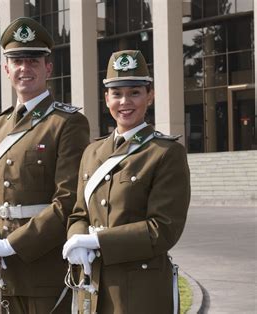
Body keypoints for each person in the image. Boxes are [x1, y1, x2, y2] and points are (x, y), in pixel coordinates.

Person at [0, 17, 90, 313]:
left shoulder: (68, 123)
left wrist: (12, 245)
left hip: (44, 273)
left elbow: (68, 200)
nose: (25, 68)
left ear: (48, 68)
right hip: (0, 273)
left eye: (33, 61)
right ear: (7, 69)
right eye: (17, 61)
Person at [63, 50, 191, 314]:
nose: (125, 101)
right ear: (106, 98)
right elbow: (78, 213)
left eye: (134, 92)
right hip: (94, 286)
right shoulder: (92, 152)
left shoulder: (165, 152)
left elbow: (163, 229)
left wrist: (97, 241)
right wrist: (77, 239)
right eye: (117, 93)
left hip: (142, 292)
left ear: (150, 95)